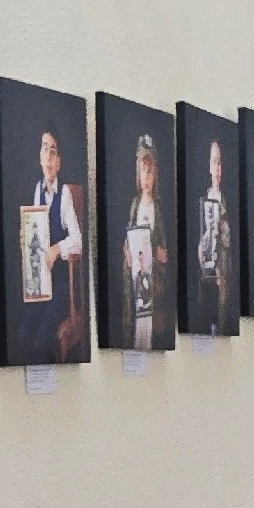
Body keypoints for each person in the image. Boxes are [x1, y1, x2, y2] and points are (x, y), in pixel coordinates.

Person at [18, 128, 86, 361]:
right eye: (45, 149)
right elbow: (36, 236)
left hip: (61, 286)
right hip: (41, 284)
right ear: (39, 156)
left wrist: (57, 250)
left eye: (53, 151)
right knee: (24, 331)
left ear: (58, 162)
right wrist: (26, 240)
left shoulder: (64, 194)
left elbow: (78, 241)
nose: (48, 156)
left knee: (43, 335)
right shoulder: (37, 190)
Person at [111, 133, 167, 350]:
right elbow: (128, 236)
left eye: (150, 171)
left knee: (148, 323)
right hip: (134, 273)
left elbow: (162, 246)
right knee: (132, 321)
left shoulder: (157, 209)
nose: (146, 176)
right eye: (143, 171)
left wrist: (162, 255)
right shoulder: (135, 204)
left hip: (151, 277)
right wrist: (127, 252)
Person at [192, 137, 234, 329]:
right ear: (209, 165)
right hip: (205, 271)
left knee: (222, 314)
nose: (217, 168)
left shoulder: (228, 201)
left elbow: (230, 240)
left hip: (223, 270)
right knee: (205, 312)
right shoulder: (203, 198)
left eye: (220, 162)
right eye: (214, 162)